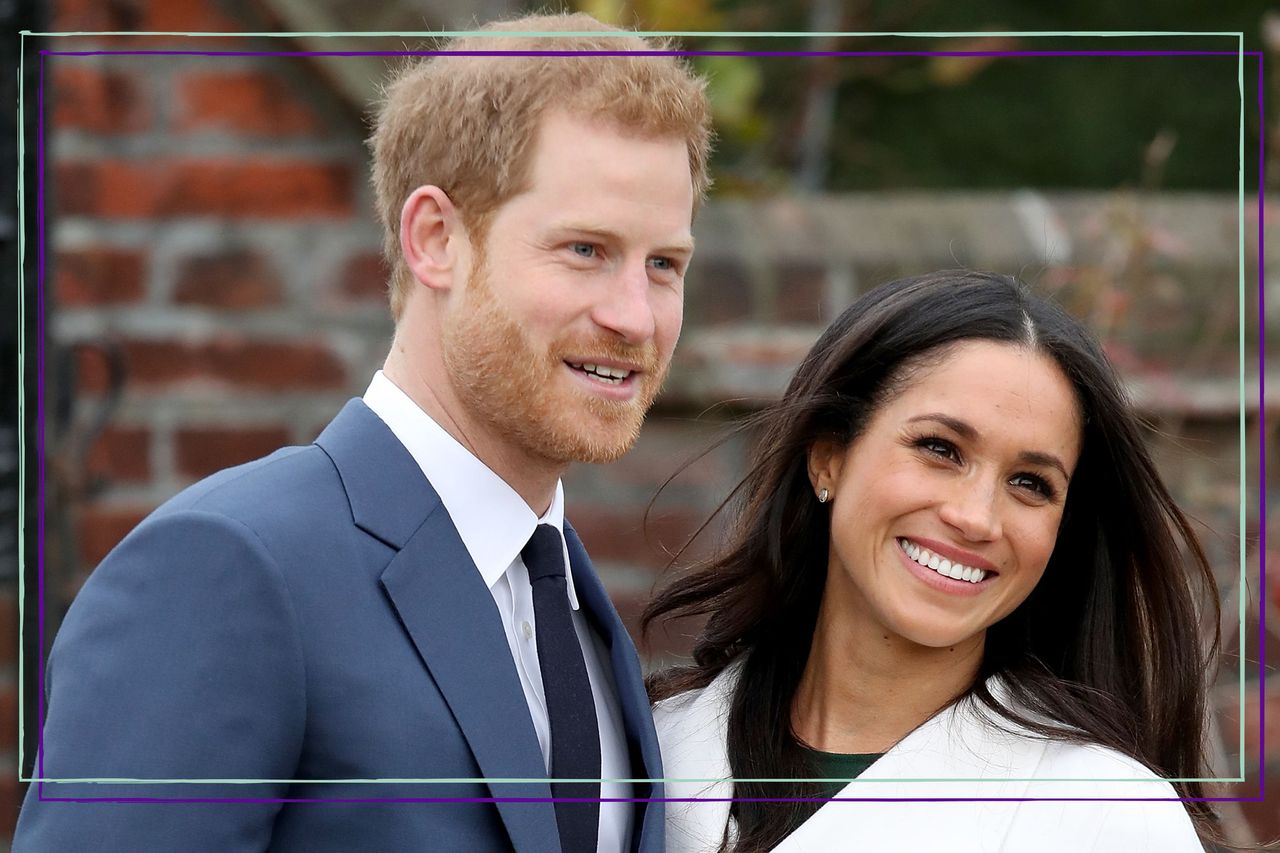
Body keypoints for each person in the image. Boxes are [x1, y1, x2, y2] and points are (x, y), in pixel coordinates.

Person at [18, 13, 711, 853]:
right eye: (585, 250)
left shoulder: (572, 601)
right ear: (435, 239)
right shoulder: (228, 565)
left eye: (663, 264)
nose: (634, 315)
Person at [643, 271, 1220, 853]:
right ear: (828, 458)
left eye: (1030, 483)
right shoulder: (648, 750)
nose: (977, 518)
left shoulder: (1107, 818)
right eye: (940, 449)